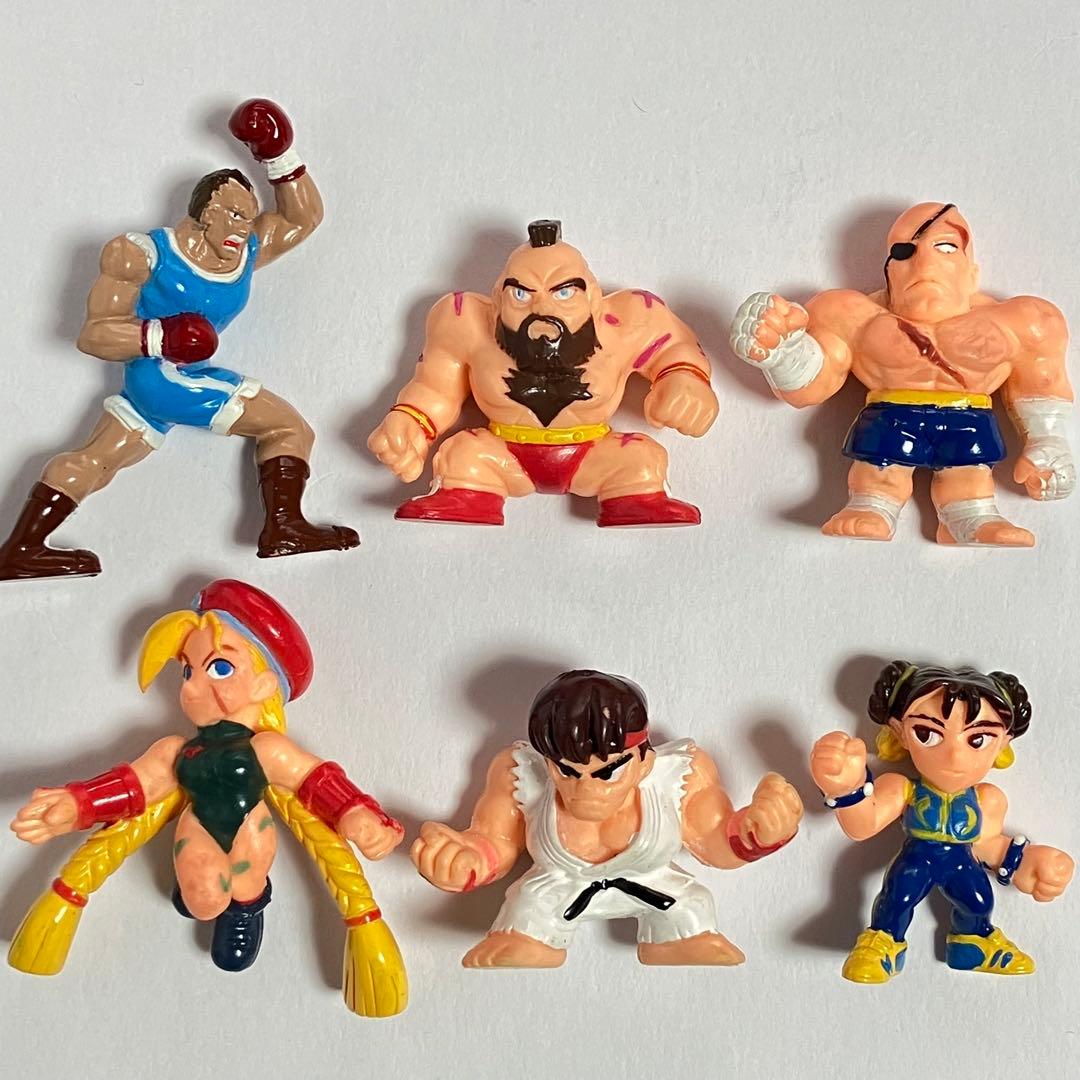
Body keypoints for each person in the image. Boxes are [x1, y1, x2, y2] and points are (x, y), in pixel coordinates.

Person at [9, 580, 406, 1017]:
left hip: (251, 828)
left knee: (246, 876)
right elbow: (135, 785)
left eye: (219, 668)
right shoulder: (175, 751)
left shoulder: (268, 749)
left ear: (263, 685)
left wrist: (357, 815)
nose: (194, 686)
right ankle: (203, 892)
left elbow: (316, 780)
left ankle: (246, 909)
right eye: (188, 672)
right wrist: (76, 805)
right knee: (203, 898)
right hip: (198, 826)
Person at [0, 100, 358, 580]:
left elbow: (301, 220)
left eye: (249, 218)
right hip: (164, 375)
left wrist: (279, 155)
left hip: (158, 386)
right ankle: (284, 528)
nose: (242, 228)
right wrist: (160, 336)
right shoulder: (142, 254)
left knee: (96, 461)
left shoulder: (245, 250)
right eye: (234, 214)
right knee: (289, 429)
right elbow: (94, 334)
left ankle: (21, 547)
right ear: (204, 212)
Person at [731, 203, 1074, 545]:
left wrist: (1048, 440)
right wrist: (784, 352)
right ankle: (872, 507)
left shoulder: (1020, 322)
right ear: (889, 272)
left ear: (972, 272)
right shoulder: (854, 316)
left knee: (970, 476)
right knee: (880, 473)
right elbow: (815, 383)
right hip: (892, 414)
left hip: (968, 417)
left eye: (945, 247)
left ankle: (970, 517)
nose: (924, 262)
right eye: (904, 251)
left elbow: (1041, 377)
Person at [412, 670, 802, 967]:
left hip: (660, 890)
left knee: (691, 909)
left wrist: (759, 832)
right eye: (567, 771)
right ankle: (531, 941)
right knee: (525, 915)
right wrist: (465, 860)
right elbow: (495, 839)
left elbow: (714, 840)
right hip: (552, 893)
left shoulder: (679, 776)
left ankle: (677, 941)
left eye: (607, 772)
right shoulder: (520, 773)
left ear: (644, 761)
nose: (585, 789)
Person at [369, 220, 719, 526]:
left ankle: (635, 501)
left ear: (594, 298)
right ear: (497, 298)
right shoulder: (464, 322)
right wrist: (409, 424)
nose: (541, 309)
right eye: (521, 294)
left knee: (642, 459)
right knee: (461, 455)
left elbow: (675, 350)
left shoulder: (629, 320)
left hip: (594, 452)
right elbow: (435, 389)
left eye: (563, 293)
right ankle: (467, 498)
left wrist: (685, 382)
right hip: (500, 454)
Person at [811, 661, 1073, 982]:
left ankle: (972, 943)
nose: (954, 757)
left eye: (978, 739)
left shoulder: (987, 799)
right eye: (927, 734)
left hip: (960, 861)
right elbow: (862, 825)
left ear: (1002, 743)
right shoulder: (901, 788)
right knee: (897, 898)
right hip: (916, 858)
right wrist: (847, 788)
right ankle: (882, 943)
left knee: (979, 901)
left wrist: (1028, 863)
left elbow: (988, 845)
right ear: (900, 732)